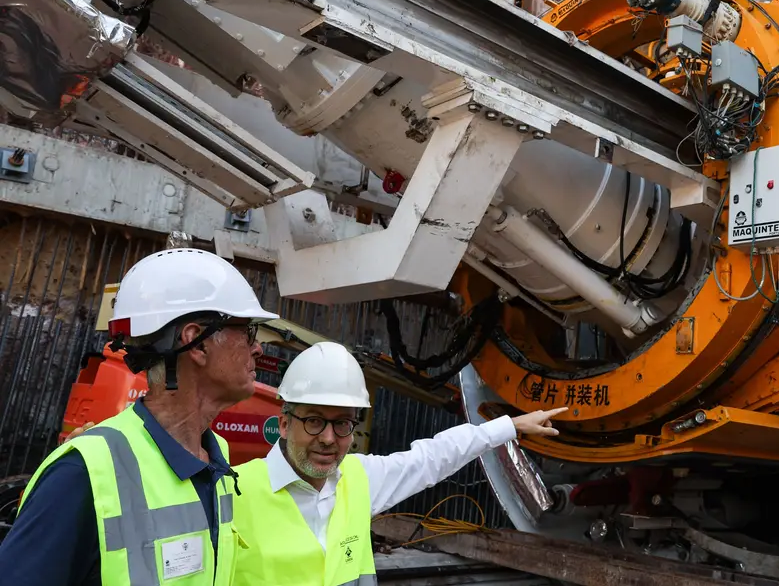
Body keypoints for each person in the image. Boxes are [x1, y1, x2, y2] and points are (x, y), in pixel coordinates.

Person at [0, 248, 279, 586]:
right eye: (248, 332)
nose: (257, 348)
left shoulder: (216, 456)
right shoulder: (83, 474)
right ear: (197, 343)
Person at [230, 341, 566, 586]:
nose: (329, 439)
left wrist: (509, 426)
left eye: (343, 423)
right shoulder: (232, 493)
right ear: (285, 423)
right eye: (314, 421)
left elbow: (432, 457)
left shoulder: (359, 480)